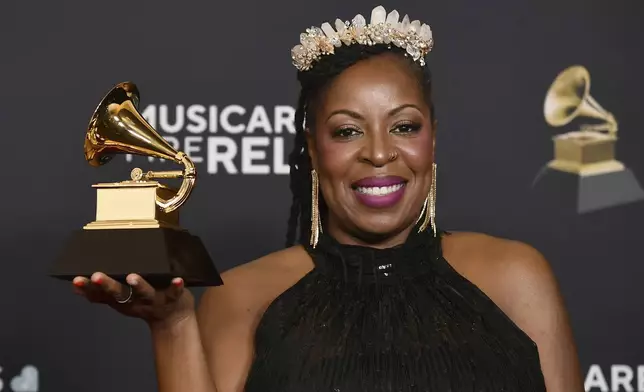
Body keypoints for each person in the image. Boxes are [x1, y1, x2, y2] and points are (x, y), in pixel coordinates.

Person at [71, 5, 584, 392]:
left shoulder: (517, 276)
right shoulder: (244, 296)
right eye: (347, 132)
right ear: (313, 150)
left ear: (432, 139)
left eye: (404, 125)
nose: (380, 154)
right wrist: (173, 323)